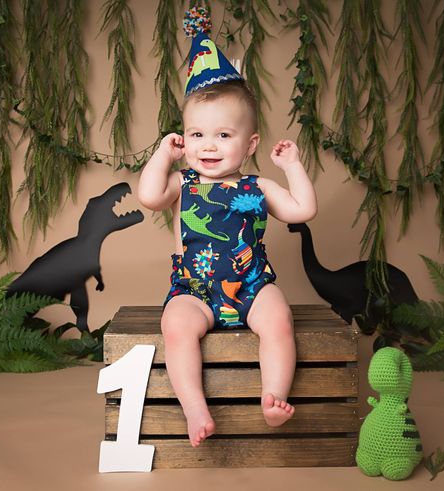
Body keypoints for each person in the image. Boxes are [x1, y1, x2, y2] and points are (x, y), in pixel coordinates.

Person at [137, 8, 317, 448]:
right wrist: (163, 156)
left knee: (278, 319)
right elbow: (148, 196)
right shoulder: (183, 183)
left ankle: (273, 397)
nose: (208, 146)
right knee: (175, 326)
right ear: (184, 137)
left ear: (250, 143)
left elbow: (302, 210)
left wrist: (293, 166)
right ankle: (194, 407)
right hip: (195, 289)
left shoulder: (258, 186)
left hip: (252, 283)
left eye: (222, 135)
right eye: (196, 135)